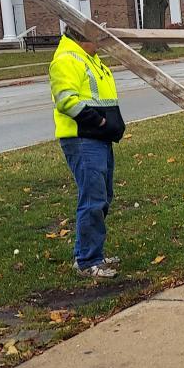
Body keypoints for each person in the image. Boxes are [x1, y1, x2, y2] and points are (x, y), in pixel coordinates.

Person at [49, 26, 126, 279]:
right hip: (83, 139)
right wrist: (99, 121)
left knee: (103, 196)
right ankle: (88, 261)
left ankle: (90, 253)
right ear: (82, 38)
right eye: (96, 38)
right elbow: (65, 100)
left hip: (98, 138)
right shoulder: (67, 59)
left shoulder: (90, 59)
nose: (100, 43)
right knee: (93, 199)